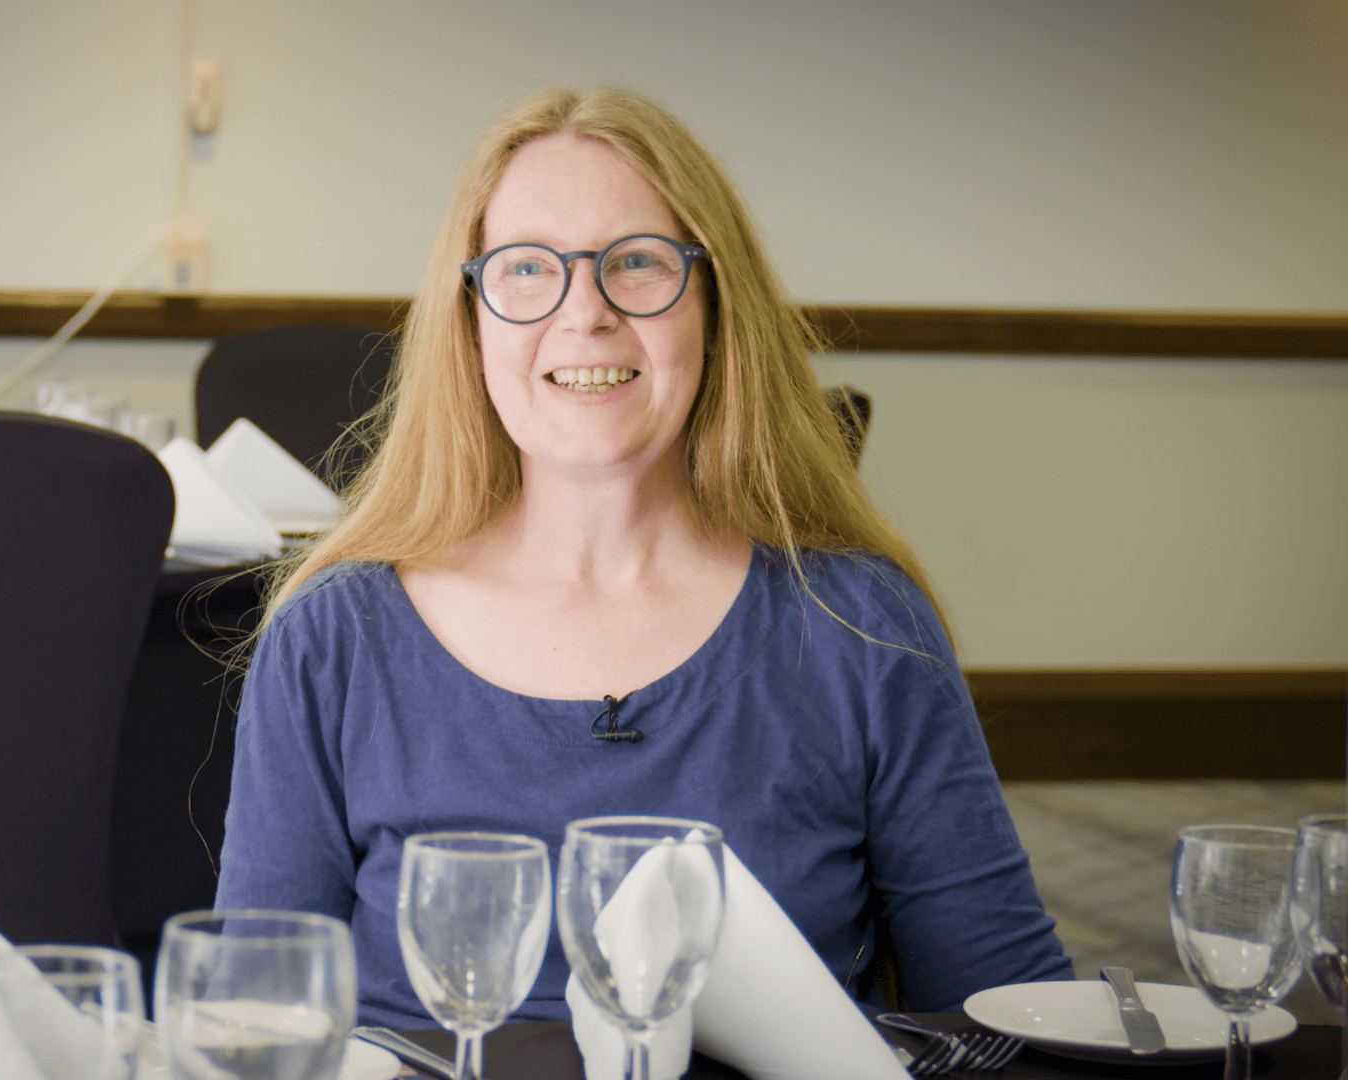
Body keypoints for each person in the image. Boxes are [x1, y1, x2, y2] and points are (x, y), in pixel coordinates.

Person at [214, 86, 1070, 1029]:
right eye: (527, 268)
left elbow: (1011, 1009)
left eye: (637, 262)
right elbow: (254, 1023)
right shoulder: (332, 638)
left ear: (715, 305)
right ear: (471, 319)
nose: (585, 313)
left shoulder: (862, 624)